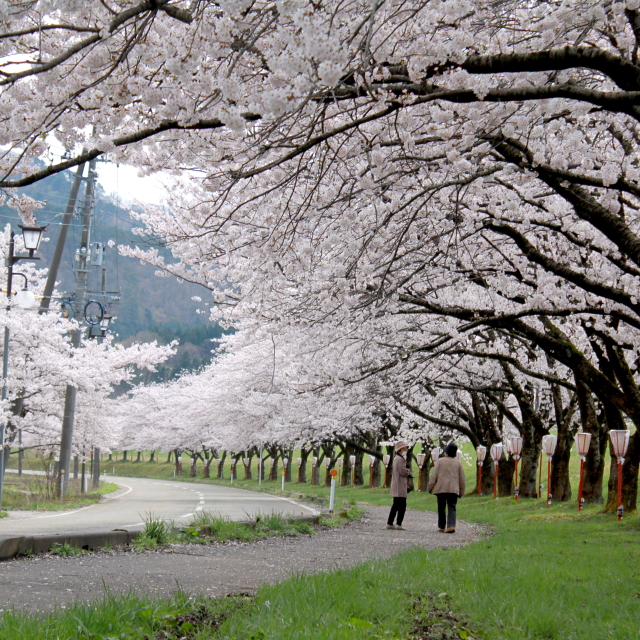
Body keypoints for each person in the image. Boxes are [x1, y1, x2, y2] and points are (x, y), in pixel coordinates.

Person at [427, 442, 465, 533]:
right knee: (452, 507)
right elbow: (462, 479)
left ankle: (441, 526)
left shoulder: (440, 461)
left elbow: (434, 476)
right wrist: (461, 491)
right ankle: (451, 526)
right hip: (453, 489)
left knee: (441, 507)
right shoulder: (458, 463)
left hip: (441, 489)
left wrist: (430, 487)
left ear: (446, 452)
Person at [387, 440, 411, 530]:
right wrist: (408, 471)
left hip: (396, 485)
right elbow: (402, 472)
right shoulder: (400, 459)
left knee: (395, 505)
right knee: (402, 505)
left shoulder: (396, 458)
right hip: (400, 485)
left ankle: (390, 522)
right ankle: (398, 523)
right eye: (405, 448)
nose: (406, 450)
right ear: (401, 449)